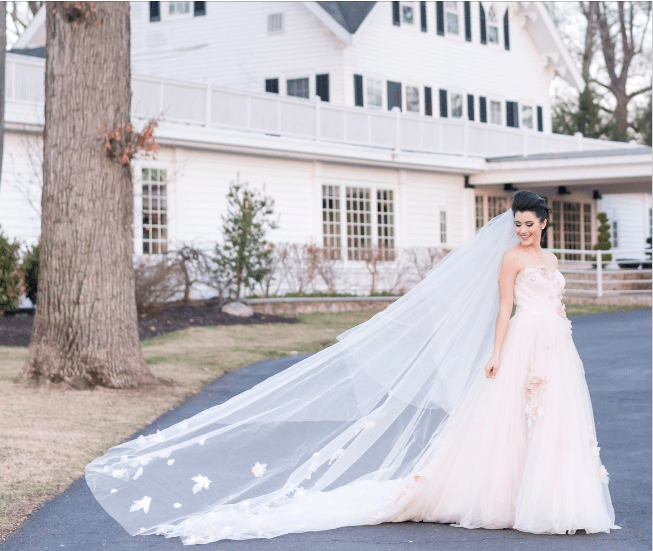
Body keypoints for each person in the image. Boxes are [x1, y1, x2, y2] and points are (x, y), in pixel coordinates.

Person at [85, 191, 618, 544]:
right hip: (522, 341)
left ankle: (549, 498)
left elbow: (555, 304)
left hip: (555, 345)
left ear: (545, 224)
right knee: (512, 420)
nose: (523, 232)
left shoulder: (549, 260)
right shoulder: (510, 260)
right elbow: (504, 309)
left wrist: (562, 338)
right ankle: (506, 497)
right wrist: (499, 353)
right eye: (518, 225)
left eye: (530, 225)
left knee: (552, 422)